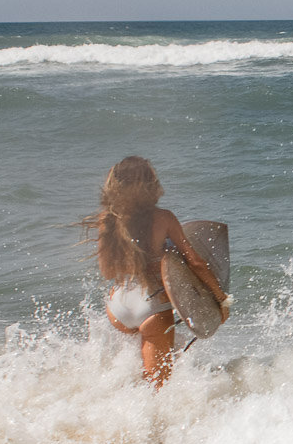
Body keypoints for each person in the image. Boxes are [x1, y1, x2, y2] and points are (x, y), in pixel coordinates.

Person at [83, 156, 230, 388]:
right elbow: (196, 263)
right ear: (151, 185)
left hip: (118, 308)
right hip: (152, 308)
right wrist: (221, 300)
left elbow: (107, 271)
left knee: (144, 364)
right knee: (157, 388)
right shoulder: (164, 218)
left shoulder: (107, 219)